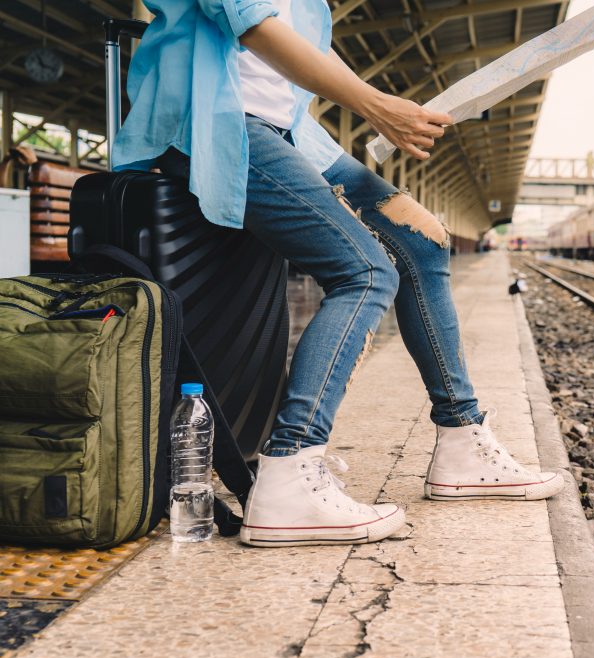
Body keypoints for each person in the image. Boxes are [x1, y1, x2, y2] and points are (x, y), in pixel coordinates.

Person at [114, 0, 563, 547]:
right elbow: (253, 26)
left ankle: (462, 439)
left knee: (423, 242)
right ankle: (289, 473)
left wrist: (388, 107)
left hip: (290, 132)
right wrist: (375, 106)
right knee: (367, 273)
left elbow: (309, 46)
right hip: (216, 121)